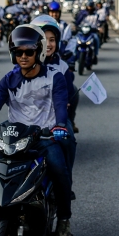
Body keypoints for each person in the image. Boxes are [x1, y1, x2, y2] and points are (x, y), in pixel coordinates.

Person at [0, 24, 73, 236]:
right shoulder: (9, 79)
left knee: (60, 170)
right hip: (14, 137)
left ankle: (63, 220)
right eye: (18, 52)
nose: (23, 56)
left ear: (39, 52)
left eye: (29, 52)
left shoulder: (55, 77)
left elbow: (61, 104)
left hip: (43, 137)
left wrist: (60, 125)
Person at [35, 14, 80, 153]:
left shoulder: (62, 66)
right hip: (27, 115)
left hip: (55, 116)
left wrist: (64, 104)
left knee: (69, 141)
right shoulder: (25, 63)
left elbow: (68, 93)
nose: (48, 44)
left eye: (52, 40)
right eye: (43, 39)